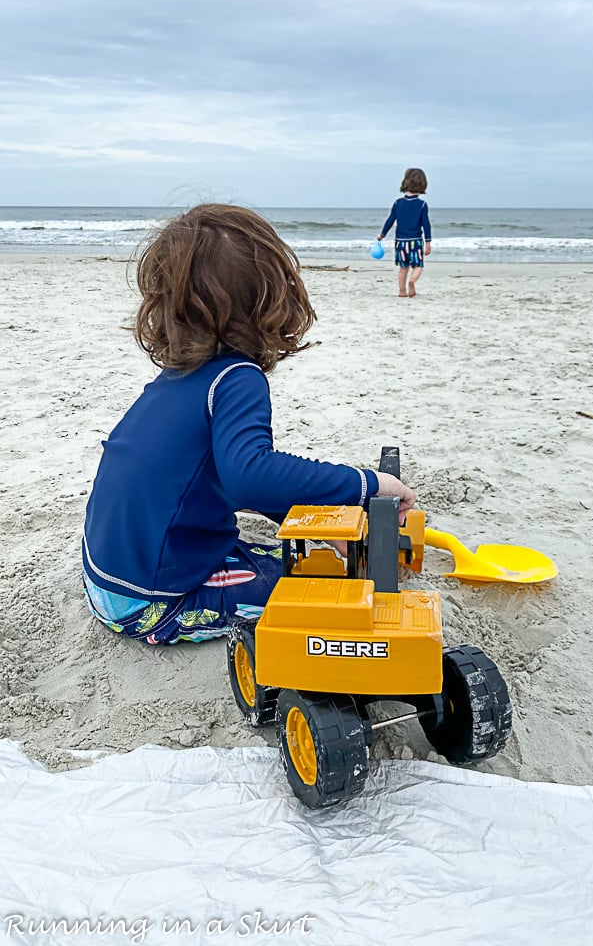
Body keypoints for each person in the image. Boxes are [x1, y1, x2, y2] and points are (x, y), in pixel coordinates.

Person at [81, 204, 416, 645]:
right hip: (152, 599)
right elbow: (251, 476)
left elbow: (226, 476)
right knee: (322, 581)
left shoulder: (183, 374)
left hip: (109, 571)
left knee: (297, 554)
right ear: (269, 301)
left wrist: (324, 520)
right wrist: (368, 484)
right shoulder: (238, 378)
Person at [377, 168, 432, 298]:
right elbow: (426, 225)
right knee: (418, 265)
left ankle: (402, 291)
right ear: (422, 185)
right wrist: (428, 242)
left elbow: (390, 220)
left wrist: (382, 235)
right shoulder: (422, 204)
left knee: (403, 268)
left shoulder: (398, 203)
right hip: (415, 241)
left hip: (400, 242)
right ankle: (412, 281)